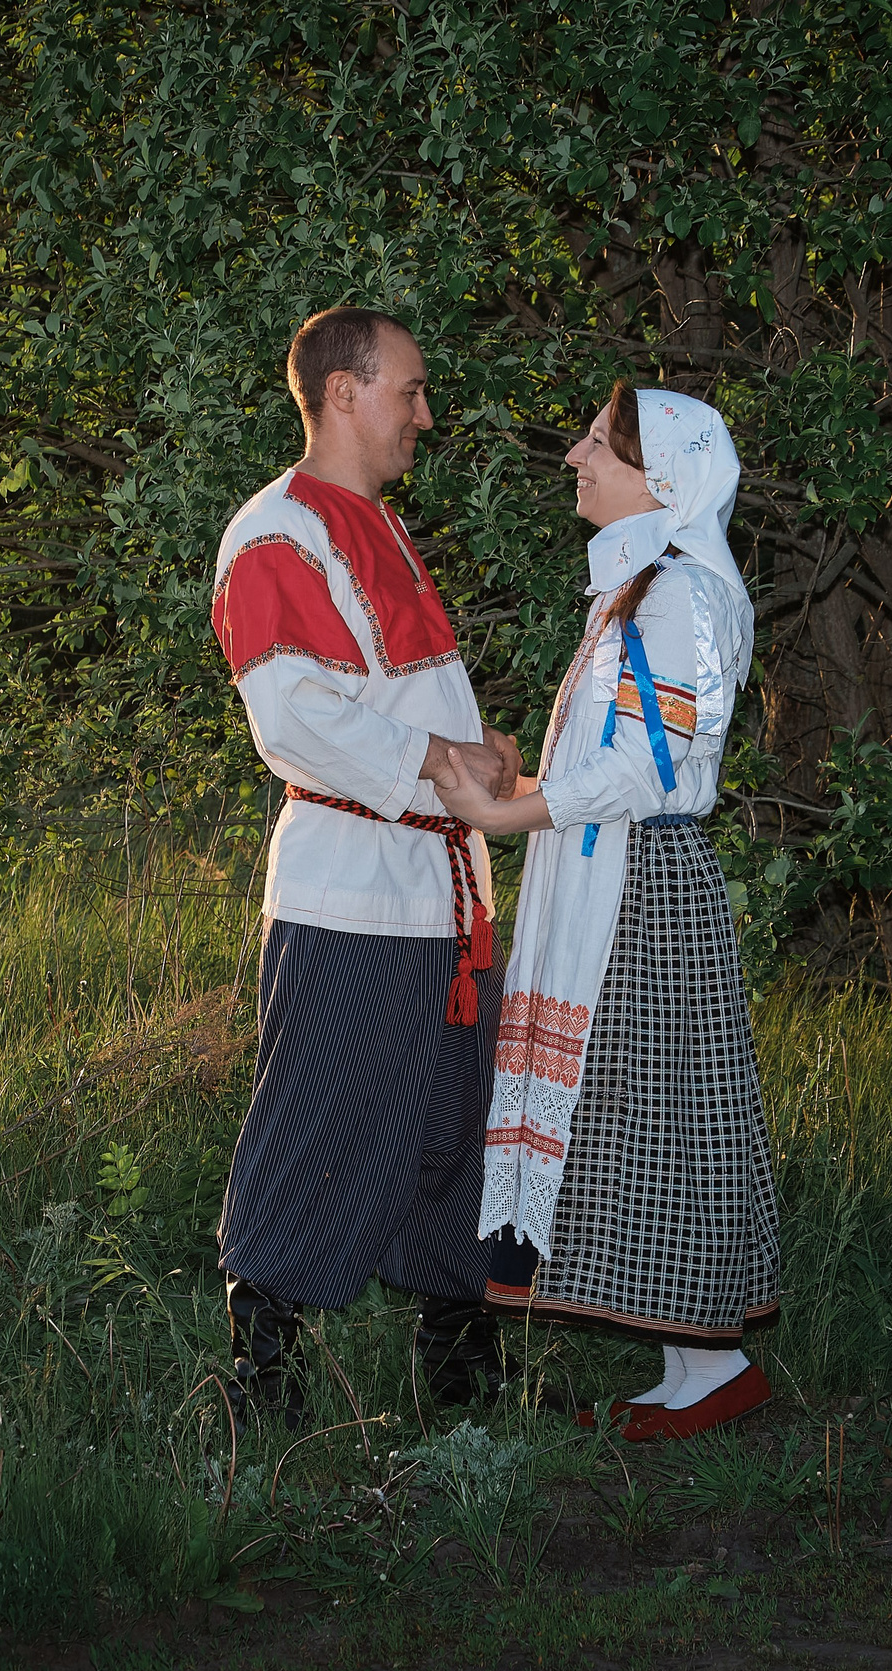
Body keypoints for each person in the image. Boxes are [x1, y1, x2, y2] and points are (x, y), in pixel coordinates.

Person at [433, 383, 781, 1442]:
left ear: (661, 477)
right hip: (611, 874)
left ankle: (709, 1364)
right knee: (644, 1111)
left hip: (642, 887)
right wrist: (528, 787)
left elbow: (647, 771)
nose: (575, 456)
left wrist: (504, 813)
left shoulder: (679, 596)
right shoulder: (642, 590)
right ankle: (693, 1365)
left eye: (599, 443)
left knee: (652, 1105)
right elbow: (616, 761)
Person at [207, 306, 525, 1426]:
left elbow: (403, 705)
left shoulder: (380, 528)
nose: (424, 415)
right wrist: (446, 760)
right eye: (410, 390)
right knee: (321, 1123)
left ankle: (457, 1364)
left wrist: (480, 756)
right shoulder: (276, 534)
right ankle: (263, 1382)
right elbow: (294, 716)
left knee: (455, 1123)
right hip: (348, 889)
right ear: (343, 392)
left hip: (442, 891)